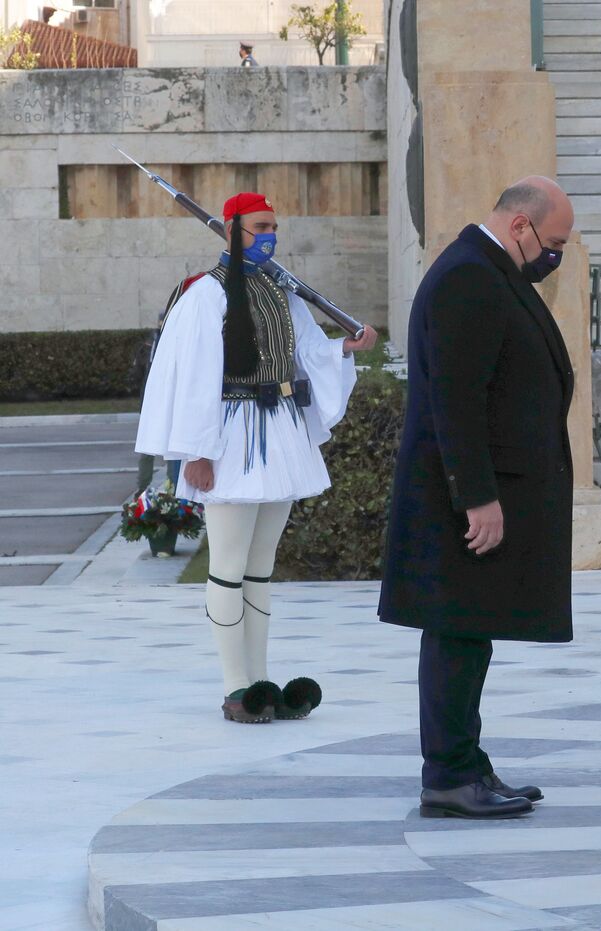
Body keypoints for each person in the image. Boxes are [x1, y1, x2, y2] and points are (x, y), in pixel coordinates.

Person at [136, 191, 378, 724]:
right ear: (231, 231)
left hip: (280, 430)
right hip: (229, 436)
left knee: (259, 568)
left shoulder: (280, 289)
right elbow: (194, 375)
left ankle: (261, 682)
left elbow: (306, 350)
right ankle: (235, 688)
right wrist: (197, 452)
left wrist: (345, 347)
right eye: (260, 227)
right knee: (227, 566)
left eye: (274, 227)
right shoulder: (205, 294)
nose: (270, 235)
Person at [379, 177, 576, 819]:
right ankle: (448, 775)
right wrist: (477, 497)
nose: (555, 256)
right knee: (457, 635)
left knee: (470, 634)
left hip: (477, 491)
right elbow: (456, 399)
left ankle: (466, 763)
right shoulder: (469, 275)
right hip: (460, 500)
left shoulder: (488, 269)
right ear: (520, 225)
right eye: (553, 242)